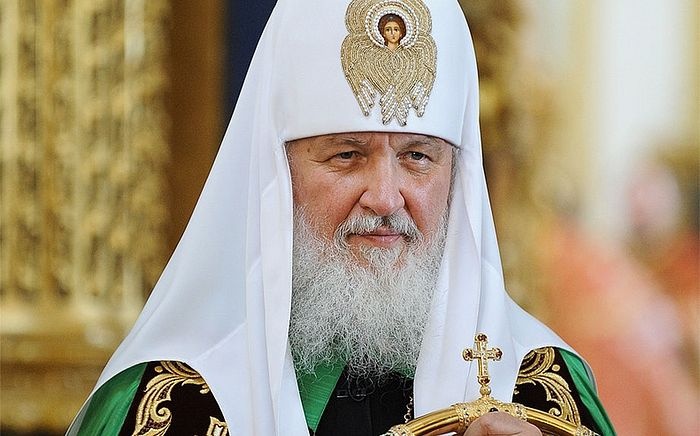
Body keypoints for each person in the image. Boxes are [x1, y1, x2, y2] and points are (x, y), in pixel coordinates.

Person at [68, 1, 614, 435]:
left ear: (458, 178)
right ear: (278, 175)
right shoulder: (171, 404)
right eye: (347, 155)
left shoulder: (542, 394)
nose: (386, 198)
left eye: (417, 157)